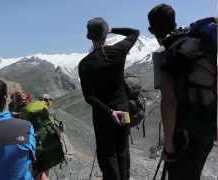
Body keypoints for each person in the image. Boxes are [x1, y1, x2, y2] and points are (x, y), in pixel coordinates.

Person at [148, 4, 216, 180]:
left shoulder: (163, 53)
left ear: (152, 29)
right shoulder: (197, 43)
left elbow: (169, 101)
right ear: (174, 22)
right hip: (207, 127)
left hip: (184, 135)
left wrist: (168, 143)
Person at [78, 17, 139, 180]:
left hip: (103, 115)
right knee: (122, 149)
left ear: (90, 37)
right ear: (105, 34)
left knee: (107, 154)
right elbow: (134, 33)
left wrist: (109, 111)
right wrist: (111, 29)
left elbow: (89, 97)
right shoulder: (118, 51)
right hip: (123, 109)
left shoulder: (85, 64)